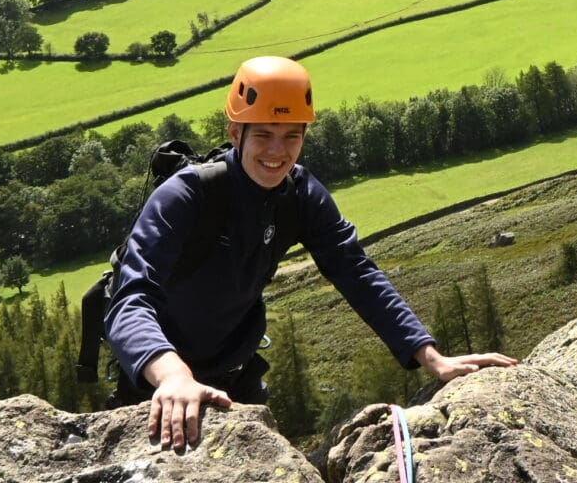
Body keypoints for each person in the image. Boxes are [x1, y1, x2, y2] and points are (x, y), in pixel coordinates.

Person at [105, 55, 515, 449]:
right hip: (159, 382)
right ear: (235, 133)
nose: (276, 152)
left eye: (291, 136)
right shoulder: (186, 196)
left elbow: (355, 271)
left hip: (237, 377)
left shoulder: (298, 195)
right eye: (263, 134)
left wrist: (430, 356)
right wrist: (172, 375)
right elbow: (130, 298)